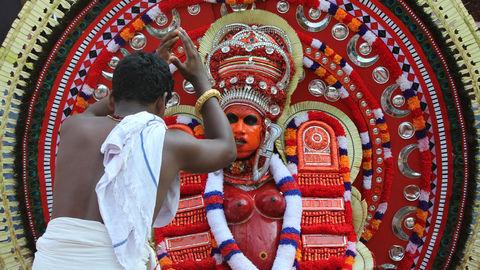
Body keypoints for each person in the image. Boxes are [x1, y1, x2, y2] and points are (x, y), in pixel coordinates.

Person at [32, 28, 236, 270]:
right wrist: (201, 81)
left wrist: (143, 72)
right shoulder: (169, 144)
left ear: (112, 97)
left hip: (50, 262)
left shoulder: (74, 127)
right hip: (111, 264)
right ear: (162, 104)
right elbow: (226, 148)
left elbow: (101, 109)